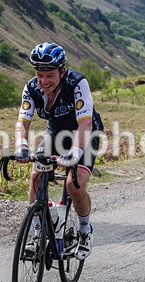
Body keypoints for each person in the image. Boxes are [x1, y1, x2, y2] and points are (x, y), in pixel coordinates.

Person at [14, 42, 104, 261]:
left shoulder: (77, 83)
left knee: (74, 184)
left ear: (62, 71)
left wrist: (74, 153)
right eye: (40, 75)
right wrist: (21, 146)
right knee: (36, 177)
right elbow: (23, 122)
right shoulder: (31, 88)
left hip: (86, 133)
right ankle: (37, 234)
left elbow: (85, 124)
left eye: (50, 75)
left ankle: (85, 230)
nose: (44, 81)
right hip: (56, 132)